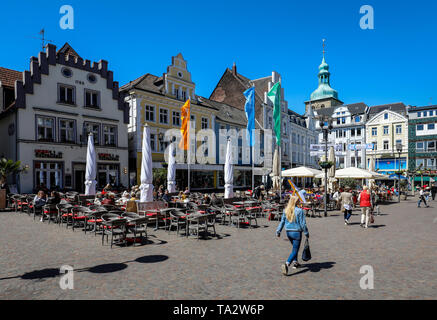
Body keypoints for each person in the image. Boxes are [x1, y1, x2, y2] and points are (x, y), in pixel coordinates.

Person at [276, 196, 310, 275]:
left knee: (294, 247)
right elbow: (303, 224)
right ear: (295, 202)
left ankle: (295, 262)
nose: (299, 202)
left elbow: (282, 222)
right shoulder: (300, 211)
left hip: (288, 232)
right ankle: (287, 264)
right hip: (297, 232)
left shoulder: (286, 210)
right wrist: (306, 233)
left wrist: (278, 231)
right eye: (298, 201)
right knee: (295, 250)